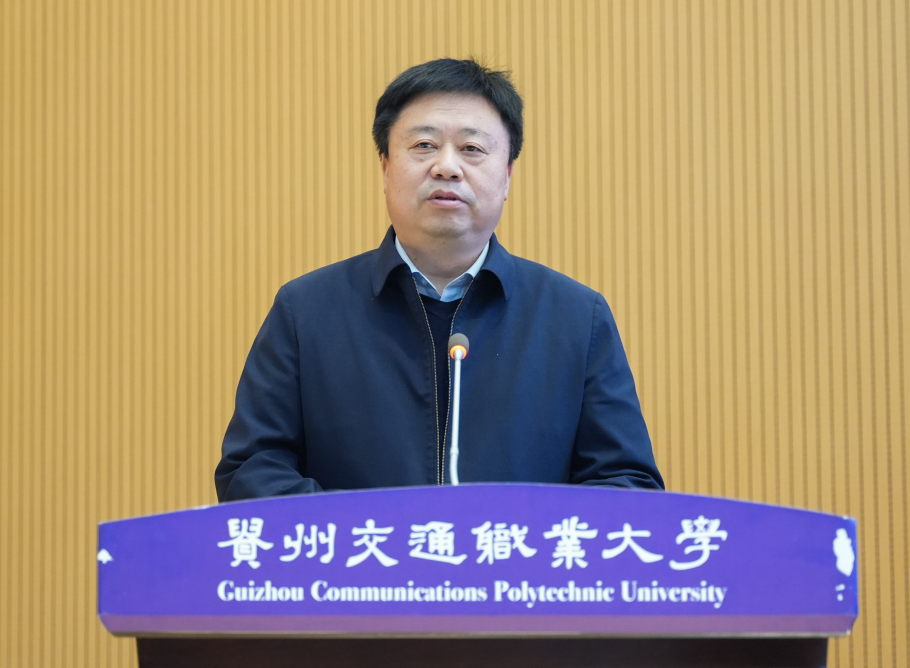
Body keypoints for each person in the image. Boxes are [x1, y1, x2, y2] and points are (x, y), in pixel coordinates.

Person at [215, 58, 663, 500]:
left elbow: (627, 482)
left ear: (507, 176)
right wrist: (367, 533)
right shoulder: (306, 311)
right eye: (424, 145)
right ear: (385, 168)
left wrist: (517, 534)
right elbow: (252, 468)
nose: (447, 167)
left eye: (472, 149)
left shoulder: (576, 318)